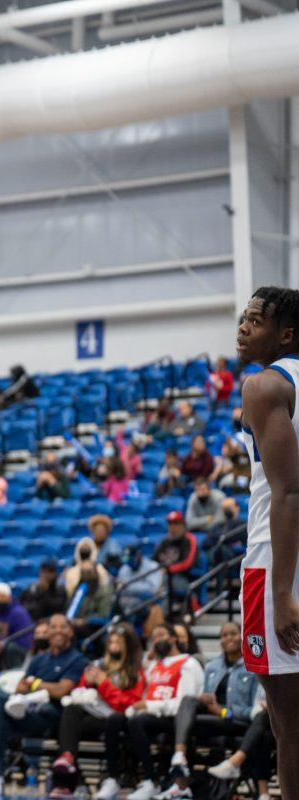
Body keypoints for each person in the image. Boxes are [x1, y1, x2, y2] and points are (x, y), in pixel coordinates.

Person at [234, 285, 299, 799]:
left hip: (277, 562)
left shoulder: (263, 386)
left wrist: (280, 595)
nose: (243, 327)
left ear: (287, 335)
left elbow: (289, 491)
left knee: (289, 727)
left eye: (256, 320)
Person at [0, 614, 89, 797]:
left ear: (70, 631)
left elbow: (61, 690)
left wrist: (35, 684)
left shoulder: (78, 660)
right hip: (25, 710)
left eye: (63, 627)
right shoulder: (38, 660)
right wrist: (36, 688)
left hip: (49, 715)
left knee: (0, 703)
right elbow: (21, 686)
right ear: (48, 632)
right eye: (53, 627)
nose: (58, 631)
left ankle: (9, 702)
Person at [51, 624, 145, 800]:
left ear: (129, 644)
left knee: (112, 720)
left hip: (121, 720)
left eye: (119, 641)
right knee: (70, 713)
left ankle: (109, 779)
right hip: (96, 716)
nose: (113, 644)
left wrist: (103, 683)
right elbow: (80, 694)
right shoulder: (98, 664)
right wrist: (87, 682)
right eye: (111, 640)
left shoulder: (136, 670)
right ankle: (66, 771)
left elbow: (129, 704)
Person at [169, 621, 258, 790]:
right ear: (220, 641)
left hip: (233, 720)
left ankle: (181, 785)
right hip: (213, 717)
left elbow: (252, 712)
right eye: (224, 635)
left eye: (233, 633)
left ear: (242, 636)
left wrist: (224, 711)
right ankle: (180, 758)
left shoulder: (251, 666)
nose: (229, 638)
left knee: (187, 723)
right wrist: (204, 698)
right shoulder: (212, 666)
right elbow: (208, 697)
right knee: (188, 702)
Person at [122, 624, 205, 800]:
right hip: (156, 716)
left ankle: (151, 779)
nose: (157, 640)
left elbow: (184, 705)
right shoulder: (155, 666)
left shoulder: (188, 663)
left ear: (173, 638)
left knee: (138, 722)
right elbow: (143, 687)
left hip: (178, 720)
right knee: (123, 721)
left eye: (161, 635)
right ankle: (144, 780)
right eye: (154, 638)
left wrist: (150, 706)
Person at [0, 583, 34, 672]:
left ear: (9, 597)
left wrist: (2, 644)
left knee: (10, 648)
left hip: (14, 648)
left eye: (2, 596)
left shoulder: (19, 613)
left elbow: (25, 639)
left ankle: (14, 675)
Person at [153, 512, 199, 613]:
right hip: (161, 577)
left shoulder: (189, 540)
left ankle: (161, 618)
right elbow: (153, 561)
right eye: (170, 524)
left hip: (182, 579)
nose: (172, 528)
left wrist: (168, 570)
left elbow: (188, 562)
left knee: (164, 583)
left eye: (176, 524)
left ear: (182, 525)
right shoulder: (165, 541)